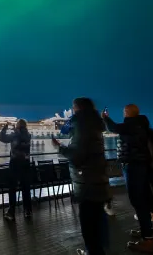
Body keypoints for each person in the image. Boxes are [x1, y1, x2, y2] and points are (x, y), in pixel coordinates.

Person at [53, 97, 110, 255]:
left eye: (73, 107)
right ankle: (100, 249)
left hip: (86, 182)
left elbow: (78, 156)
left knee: (87, 222)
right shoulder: (95, 125)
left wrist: (61, 147)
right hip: (98, 178)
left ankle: (93, 251)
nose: (72, 109)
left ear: (78, 108)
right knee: (98, 217)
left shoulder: (82, 125)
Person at [103, 104, 153, 253]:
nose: (123, 114)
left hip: (133, 165)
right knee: (142, 199)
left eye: (124, 112)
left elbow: (113, 128)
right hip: (141, 165)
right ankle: (147, 231)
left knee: (137, 200)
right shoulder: (141, 125)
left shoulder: (132, 125)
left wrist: (105, 118)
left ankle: (148, 239)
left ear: (127, 113)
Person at [0, 118, 32, 221]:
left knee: (12, 188)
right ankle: (28, 211)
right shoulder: (28, 135)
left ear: (17, 125)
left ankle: (11, 212)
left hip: (15, 163)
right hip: (26, 163)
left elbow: (2, 138)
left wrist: (5, 127)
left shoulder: (15, 135)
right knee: (26, 188)